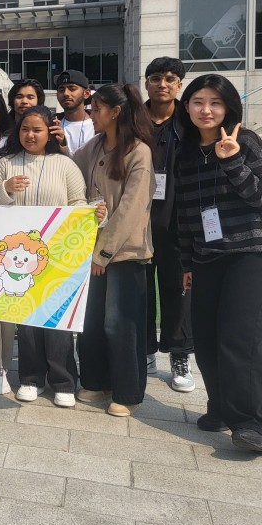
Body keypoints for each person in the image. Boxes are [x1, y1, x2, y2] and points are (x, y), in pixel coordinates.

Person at [175, 74, 262, 455]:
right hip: (207, 256)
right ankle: (220, 407)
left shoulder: (245, 141)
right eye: (198, 102)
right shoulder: (186, 153)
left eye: (215, 102)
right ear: (186, 107)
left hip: (254, 252)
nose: (206, 110)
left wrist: (233, 159)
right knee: (206, 339)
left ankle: (253, 424)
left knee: (242, 338)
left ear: (228, 107)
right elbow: (186, 214)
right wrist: (187, 263)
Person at [0, 106, 88, 407]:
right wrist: (5, 189)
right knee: (27, 319)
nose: (30, 135)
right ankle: (30, 378)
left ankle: (63, 381)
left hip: (58, 254)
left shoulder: (65, 165)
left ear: (49, 133)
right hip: (18, 258)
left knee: (57, 320)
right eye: (25, 129)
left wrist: (94, 214)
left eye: (37, 130)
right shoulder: (6, 164)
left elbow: (78, 203)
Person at [73, 83, 155, 418]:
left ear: (115, 111)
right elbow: (70, 173)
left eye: (96, 109)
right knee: (91, 321)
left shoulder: (139, 151)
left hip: (125, 253)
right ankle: (95, 381)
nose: (91, 114)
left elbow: (132, 209)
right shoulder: (93, 146)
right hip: (90, 249)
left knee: (120, 324)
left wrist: (103, 253)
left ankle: (126, 392)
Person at [143, 57, 193, 391]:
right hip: (139, 220)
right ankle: (145, 350)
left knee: (179, 290)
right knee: (141, 291)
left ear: (179, 85)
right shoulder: (133, 119)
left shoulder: (188, 121)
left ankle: (180, 354)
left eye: (171, 78)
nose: (163, 84)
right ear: (146, 83)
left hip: (179, 221)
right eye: (156, 77)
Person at [54, 70, 95, 153]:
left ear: (86, 93)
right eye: (61, 90)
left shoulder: (100, 125)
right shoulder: (51, 124)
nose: (66, 93)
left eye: (72, 89)